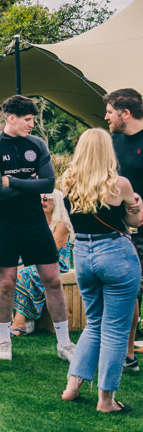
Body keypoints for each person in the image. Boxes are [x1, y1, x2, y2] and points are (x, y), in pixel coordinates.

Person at [0, 95, 74, 362]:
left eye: (33, 119)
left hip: (34, 222)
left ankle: (64, 343)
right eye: (28, 120)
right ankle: (4, 339)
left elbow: (47, 185)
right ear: (12, 118)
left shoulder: (37, 144)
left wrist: (12, 181)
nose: (32, 124)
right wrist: (27, 181)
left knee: (53, 279)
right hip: (4, 223)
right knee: (7, 282)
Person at [59, 128, 142, 413]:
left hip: (82, 254)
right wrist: (138, 206)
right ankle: (106, 400)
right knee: (116, 329)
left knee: (94, 323)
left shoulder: (67, 182)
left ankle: (72, 387)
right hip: (116, 254)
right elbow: (135, 221)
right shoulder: (120, 184)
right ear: (108, 152)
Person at [0, 189, 73, 336]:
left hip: (53, 262)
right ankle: (3, 320)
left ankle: (21, 323)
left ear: (57, 202)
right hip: (33, 260)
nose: (42, 202)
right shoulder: (37, 221)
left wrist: (26, 264)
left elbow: (51, 250)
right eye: (40, 198)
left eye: (47, 199)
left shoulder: (62, 224)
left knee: (24, 274)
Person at [103, 88, 143, 373]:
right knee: (130, 292)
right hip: (121, 231)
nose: (106, 117)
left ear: (125, 113)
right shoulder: (112, 142)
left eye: (109, 111)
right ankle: (127, 355)